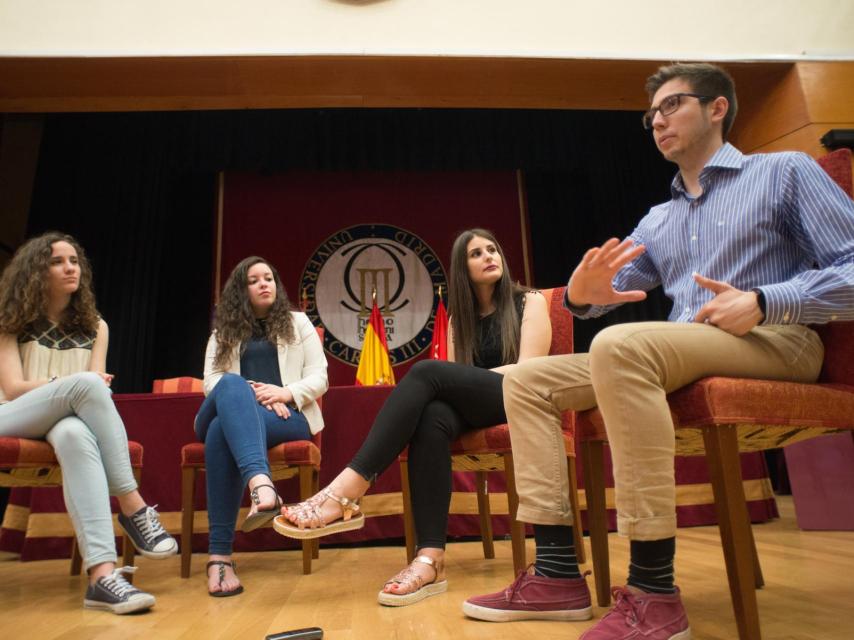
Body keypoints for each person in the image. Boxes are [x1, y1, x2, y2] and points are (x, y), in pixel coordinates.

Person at [463, 62, 854, 638]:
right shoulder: (659, 217)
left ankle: (653, 590)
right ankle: (555, 574)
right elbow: (600, 296)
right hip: (687, 348)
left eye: (672, 106)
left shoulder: (784, 172)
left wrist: (767, 300)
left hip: (778, 340)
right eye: (651, 116)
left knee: (624, 345)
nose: (657, 122)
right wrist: (580, 295)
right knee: (527, 380)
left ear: (717, 108)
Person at [275, 228, 553, 607]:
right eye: (476, 253)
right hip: (483, 406)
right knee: (433, 417)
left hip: (523, 397)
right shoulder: (460, 319)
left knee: (427, 374)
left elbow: (530, 371)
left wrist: (465, 379)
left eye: (492, 249)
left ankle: (342, 492)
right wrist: (461, 383)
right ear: (461, 268)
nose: (489, 256)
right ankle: (430, 559)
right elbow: (457, 389)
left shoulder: (531, 301)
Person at [0, 232, 178, 615]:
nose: (69, 268)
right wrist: (69, 386)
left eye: (74, 261)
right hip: (11, 416)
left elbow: (93, 395)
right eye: (57, 261)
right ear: (35, 272)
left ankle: (102, 577)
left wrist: (80, 390)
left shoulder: (97, 326)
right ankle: (132, 505)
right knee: (85, 384)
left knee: (76, 434)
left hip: (60, 422)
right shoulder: (10, 320)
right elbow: (13, 389)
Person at [196, 256, 328, 597]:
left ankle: (219, 558)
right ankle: (262, 485)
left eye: (268, 278)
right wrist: (252, 398)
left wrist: (285, 394)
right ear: (241, 290)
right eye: (254, 280)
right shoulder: (223, 333)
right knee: (230, 385)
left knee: (218, 434)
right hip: (240, 410)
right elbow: (211, 383)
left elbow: (320, 376)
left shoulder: (299, 324)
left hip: (288, 418)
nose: (264, 284)